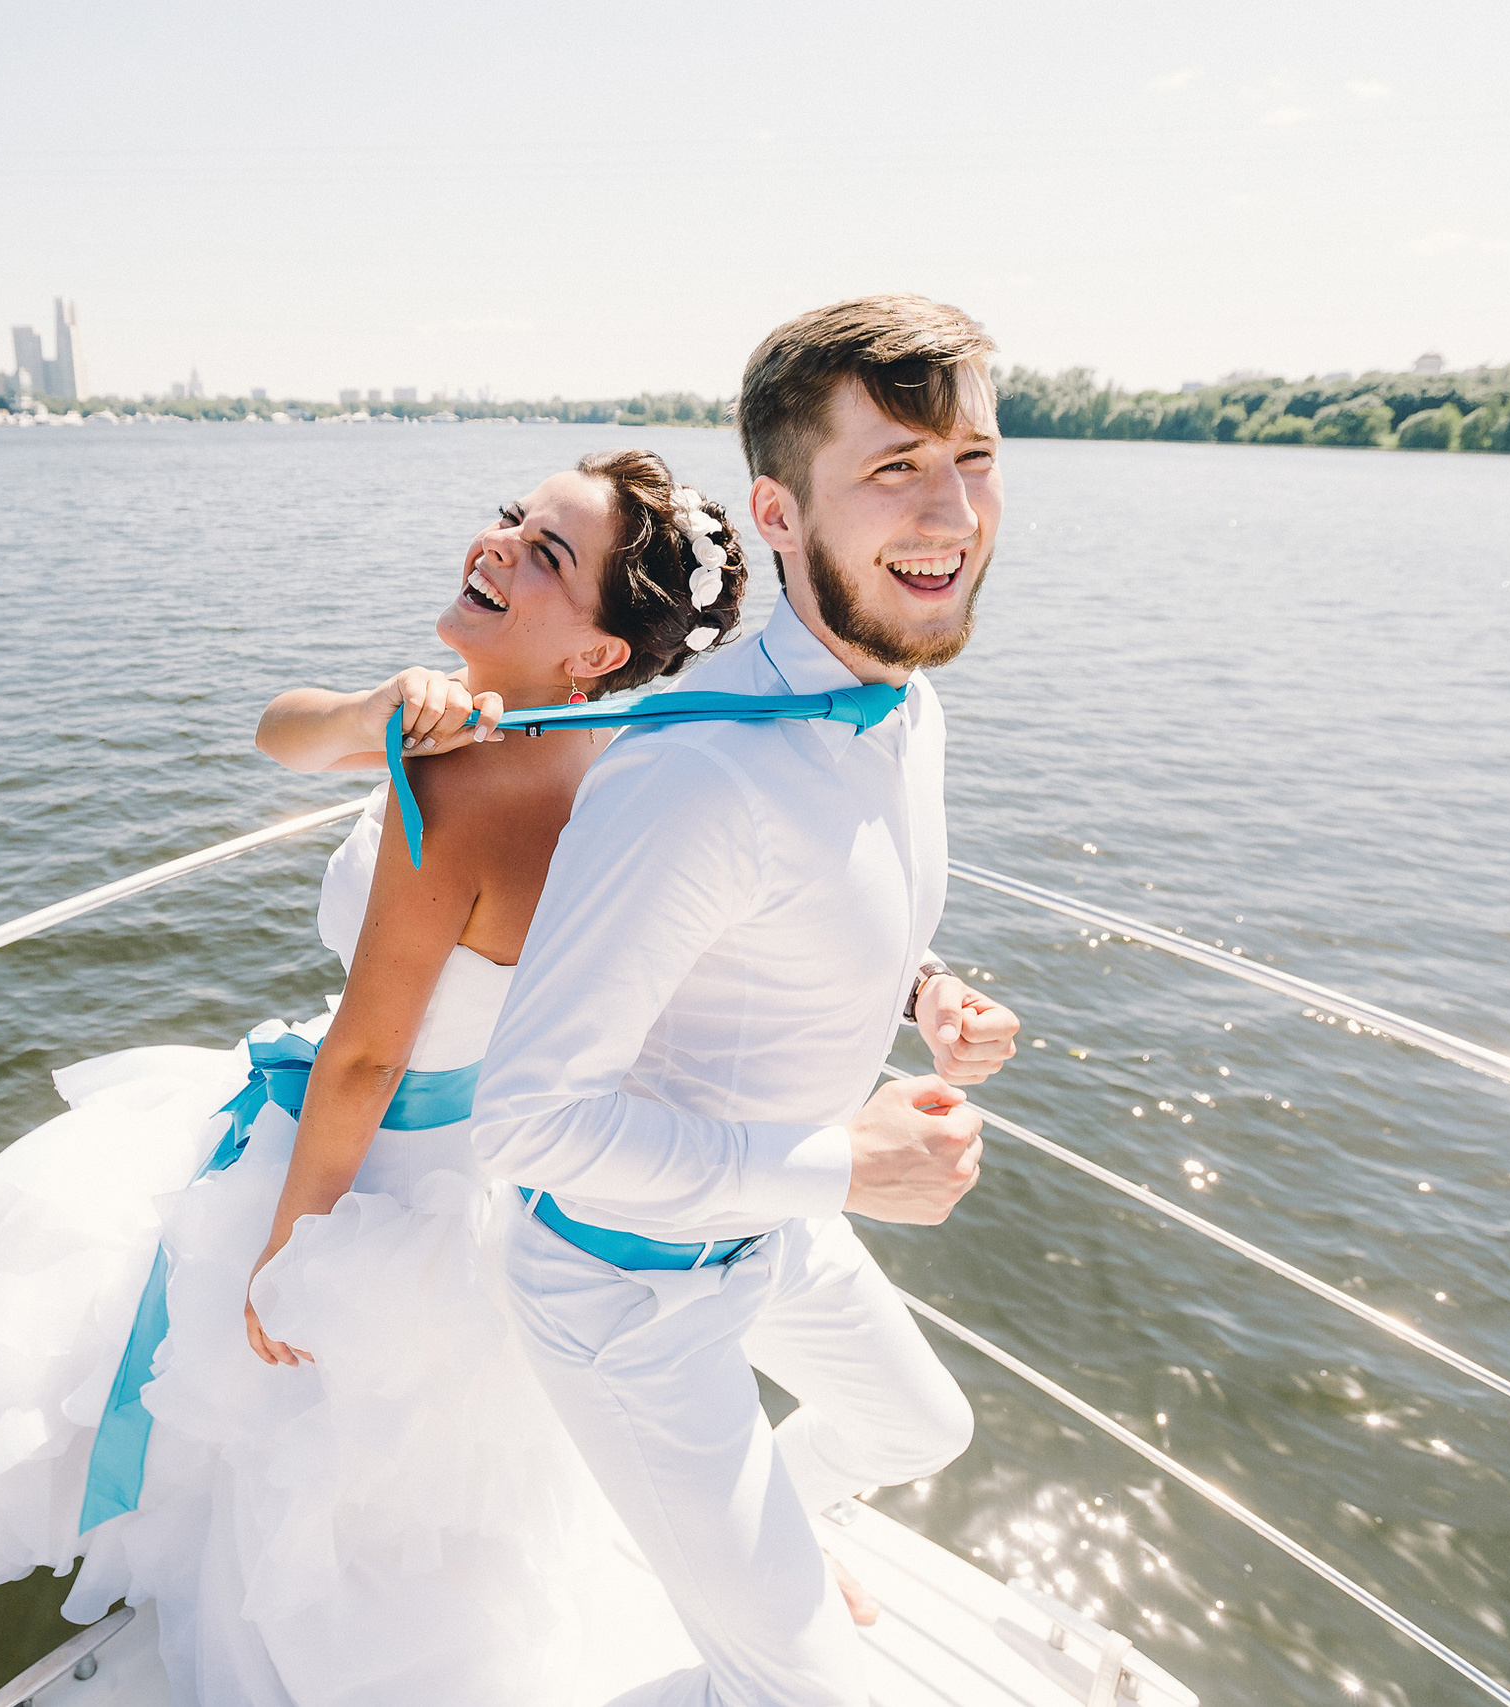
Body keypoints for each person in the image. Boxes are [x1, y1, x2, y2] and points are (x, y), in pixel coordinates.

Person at [0, 447, 756, 1704]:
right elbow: (282, 734)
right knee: (410, 1514)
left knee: (291, 1474)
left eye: (546, 553)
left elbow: (366, 1057)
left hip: (365, 1169)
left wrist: (288, 1247)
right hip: (483, 1180)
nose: (497, 546)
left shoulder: (466, 780)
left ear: (594, 652)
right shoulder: (606, 761)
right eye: (509, 519)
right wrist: (376, 710)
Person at [471, 294, 1023, 1707]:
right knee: (805, 1691)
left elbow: (813, 901)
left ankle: (741, 1564)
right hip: (628, 1287)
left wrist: (925, 992)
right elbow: (529, 1122)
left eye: (974, 453)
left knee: (921, 1424)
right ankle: (763, 1623)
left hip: (766, 1226)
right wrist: (848, 1159)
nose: (950, 508)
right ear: (779, 513)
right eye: (893, 465)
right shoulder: (694, 775)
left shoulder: (905, 700)